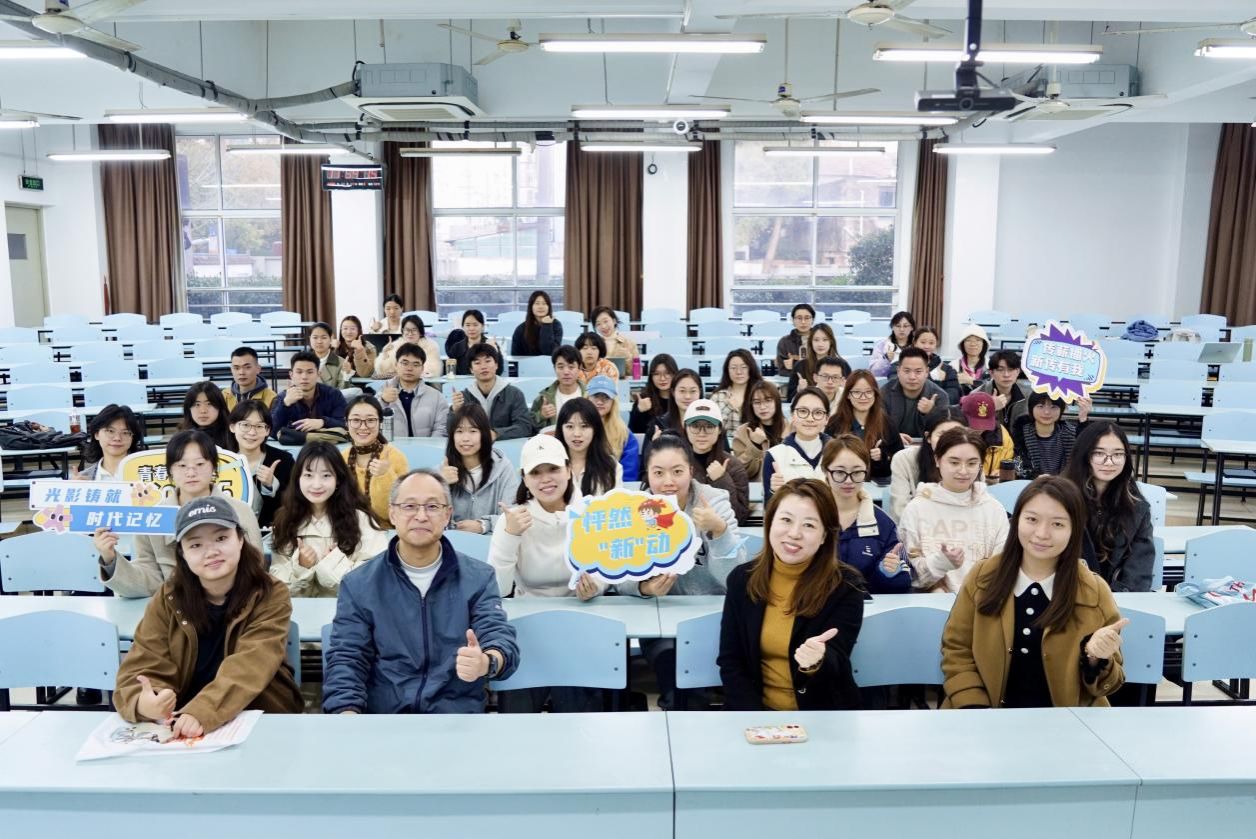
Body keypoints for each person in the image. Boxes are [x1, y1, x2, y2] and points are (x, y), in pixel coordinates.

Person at [322, 468, 520, 714]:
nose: (421, 516)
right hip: (385, 718)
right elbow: (347, 658)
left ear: (447, 515)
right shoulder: (360, 584)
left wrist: (486, 662)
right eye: (409, 506)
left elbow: (498, 637)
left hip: (456, 717)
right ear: (392, 514)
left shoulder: (478, 578)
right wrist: (347, 713)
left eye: (433, 507)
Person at [115, 497, 303, 736]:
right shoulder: (169, 597)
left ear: (240, 539)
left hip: (259, 714)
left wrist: (202, 711)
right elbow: (143, 661)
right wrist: (145, 703)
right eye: (195, 545)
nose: (211, 552)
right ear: (182, 554)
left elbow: (253, 662)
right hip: (185, 721)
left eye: (221, 538)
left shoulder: (269, 593)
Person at [941, 476, 1128, 708]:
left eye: (1057, 524)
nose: (1042, 533)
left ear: (1074, 529)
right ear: (1016, 520)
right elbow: (956, 650)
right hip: (982, 716)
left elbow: (1109, 684)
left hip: (1066, 722)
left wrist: (1095, 658)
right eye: (1031, 519)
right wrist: (975, 709)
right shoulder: (982, 577)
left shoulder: (1094, 591)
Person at [718, 477, 865, 711]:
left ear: (825, 536)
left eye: (809, 525)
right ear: (770, 523)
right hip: (754, 713)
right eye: (786, 520)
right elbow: (731, 660)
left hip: (822, 713)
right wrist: (754, 718)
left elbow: (837, 663)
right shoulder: (742, 580)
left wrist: (817, 661)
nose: (794, 533)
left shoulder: (846, 586)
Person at [623, 432, 746, 709]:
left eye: (677, 471)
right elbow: (619, 577)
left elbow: (736, 578)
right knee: (675, 671)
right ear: (647, 475)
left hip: (713, 620)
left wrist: (720, 531)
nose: (668, 481)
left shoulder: (714, 502)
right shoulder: (634, 510)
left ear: (691, 471)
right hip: (660, 623)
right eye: (658, 473)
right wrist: (643, 587)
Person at [490, 436, 605, 713]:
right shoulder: (514, 519)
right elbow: (497, 587)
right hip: (528, 629)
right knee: (519, 712)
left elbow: (605, 571)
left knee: (578, 711)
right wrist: (510, 535)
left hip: (580, 625)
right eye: (536, 473)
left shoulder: (592, 513)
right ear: (524, 479)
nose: (546, 479)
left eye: (553, 469)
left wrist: (595, 587)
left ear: (568, 469)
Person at [96, 430, 264, 598]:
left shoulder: (240, 511)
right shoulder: (154, 517)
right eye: (182, 466)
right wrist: (110, 559)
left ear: (214, 466)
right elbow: (150, 578)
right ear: (170, 470)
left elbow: (255, 569)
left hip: (234, 603)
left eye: (200, 464)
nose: (191, 473)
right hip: (175, 606)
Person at [270, 442, 390, 597]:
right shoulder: (285, 521)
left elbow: (376, 578)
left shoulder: (361, 520)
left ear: (338, 479)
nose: (316, 485)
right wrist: (301, 568)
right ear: (298, 478)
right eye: (308, 475)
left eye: (326, 475)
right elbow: (278, 589)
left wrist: (333, 563)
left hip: (349, 610)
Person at [899, 427, 1010, 592]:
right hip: (931, 602)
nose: (963, 471)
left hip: (981, 600)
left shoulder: (993, 509)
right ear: (937, 460)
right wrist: (941, 563)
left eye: (972, 463)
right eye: (954, 462)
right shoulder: (917, 508)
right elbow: (910, 574)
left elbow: (1002, 566)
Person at [1063, 421, 1155, 593]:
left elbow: (1138, 572)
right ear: (1084, 454)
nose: (1109, 462)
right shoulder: (1061, 499)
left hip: (1117, 598)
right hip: (1068, 594)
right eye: (1099, 453)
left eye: (1118, 454)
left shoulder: (1137, 506)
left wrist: (1110, 601)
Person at [823, 435, 910, 594]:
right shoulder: (810, 516)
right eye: (840, 472)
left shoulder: (883, 524)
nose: (848, 481)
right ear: (825, 471)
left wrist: (888, 573)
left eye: (857, 472)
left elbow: (903, 583)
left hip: (865, 605)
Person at [441, 403, 520, 535]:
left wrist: (484, 525)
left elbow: (513, 515)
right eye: (459, 431)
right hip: (452, 542)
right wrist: (442, 485)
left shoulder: (503, 468)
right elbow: (431, 519)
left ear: (484, 434)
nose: (465, 438)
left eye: (473, 431)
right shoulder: (443, 471)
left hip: (491, 543)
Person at [888, 409, 967, 521]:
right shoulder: (904, 459)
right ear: (928, 437)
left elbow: (979, 506)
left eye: (956, 435)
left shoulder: (972, 460)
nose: (949, 441)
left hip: (962, 526)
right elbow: (899, 510)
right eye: (942, 435)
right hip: (917, 528)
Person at [826, 369, 903, 483]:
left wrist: (882, 458)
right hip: (843, 482)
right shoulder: (835, 423)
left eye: (868, 392)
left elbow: (899, 462)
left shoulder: (886, 423)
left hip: (877, 485)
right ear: (848, 395)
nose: (863, 397)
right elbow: (827, 460)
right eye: (857, 392)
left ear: (875, 394)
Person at [342, 395, 410, 522]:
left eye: (370, 420)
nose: (363, 427)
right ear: (346, 423)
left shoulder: (395, 457)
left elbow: (393, 513)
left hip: (384, 529)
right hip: (347, 528)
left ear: (381, 423)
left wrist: (384, 476)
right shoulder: (341, 458)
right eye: (356, 420)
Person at [227, 400, 293, 529]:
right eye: (245, 425)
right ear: (232, 427)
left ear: (268, 430)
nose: (252, 432)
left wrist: (271, 485)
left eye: (259, 426)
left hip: (273, 533)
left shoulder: (283, 460)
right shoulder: (222, 462)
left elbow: (294, 503)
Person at [684, 399, 750, 525]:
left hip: (721, 531)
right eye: (695, 426)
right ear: (685, 428)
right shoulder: (678, 463)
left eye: (709, 427)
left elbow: (739, 517)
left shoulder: (733, 465)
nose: (702, 433)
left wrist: (721, 479)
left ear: (719, 429)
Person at [448, 343, 533, 440]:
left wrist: (495, 434)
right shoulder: (464, 397)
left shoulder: (514, 394)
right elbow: (451, 431)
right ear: (471, 369)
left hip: (505, 446)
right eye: (477, 363)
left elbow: (524, 427)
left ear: (496, 365)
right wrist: (455, 411)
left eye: (488, 361)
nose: (483, 366)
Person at [762, 387, 831, 501]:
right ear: (792, 415)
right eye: (803, 411)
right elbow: (768, 508)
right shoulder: (774, 455)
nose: (810, 418)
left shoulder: (839, 453)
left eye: (818, 413)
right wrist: (773, 492)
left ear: (827, 418)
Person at [881, 346, 950, 447]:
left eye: (918, 371)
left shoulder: (939, 396)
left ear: (926, 372)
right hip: (894, 447)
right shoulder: (884, 393)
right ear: (898, 371)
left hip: (928, 449)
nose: (912, 377)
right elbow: (878, 427)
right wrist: (893, 436)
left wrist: (931, 412)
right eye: (907, 371)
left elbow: (942, 434)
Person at [1013, 391, 1092, 479]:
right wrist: (1034, 477)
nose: (1047, 412)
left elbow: (1085, 455)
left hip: (1065, 485)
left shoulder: (1072, 433)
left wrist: (1083, 418)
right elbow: (1017, 467)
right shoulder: (1020, 435)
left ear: (1061, 410)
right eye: (1040, 406)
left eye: (1053, 407)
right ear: (1031, 408)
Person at [271, 350, 348, 439]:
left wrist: (323, 422)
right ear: (291, 375)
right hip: (294, 445)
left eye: (310, 372)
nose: (304, 377)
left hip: (327, 444)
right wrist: (285, 405)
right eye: (299, 372)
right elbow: (271, 431)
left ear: (318, 374)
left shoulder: (333, 394)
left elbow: (346, 424)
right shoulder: (282, 398)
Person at [378, 343, 449, 438]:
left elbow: (441, 428)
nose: (409, 368)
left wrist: (429, 446)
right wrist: (383, 401)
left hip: (426, 447)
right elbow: (370, 420)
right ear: (396, 365)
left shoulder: (436, 397)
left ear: (422, 368)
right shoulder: (383, 392)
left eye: (416, 364)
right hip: (392, 446)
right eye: (405, 363)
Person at [556, 397, 621, 495]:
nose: (577, 434)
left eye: (584, 426)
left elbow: (616, 502)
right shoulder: (551, 465)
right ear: (561, 429)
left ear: (595, 429)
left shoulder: (611, 466)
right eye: (569, 426)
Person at [587, 375, 640, 482]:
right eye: (596, 396)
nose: (600, 402)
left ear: (613, 402)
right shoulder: (577, 431)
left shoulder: (625, 435)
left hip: (615, 487)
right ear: (587, 398)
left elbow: (629, 474)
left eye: (606, 397)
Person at [732, 380, 786, 481]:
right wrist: (754, 445)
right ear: (751, 405)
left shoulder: (791, 429)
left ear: (777, 402)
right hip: (757, 487)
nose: (762, 407)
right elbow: (742, 472)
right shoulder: (743, 432)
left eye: (768, 400)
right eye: (757, 402)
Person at [960, 391, 1015, 483]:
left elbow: (1009, 462)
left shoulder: (1002, 436)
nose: (979, 428)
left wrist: (1001, 474)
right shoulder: (949, 432)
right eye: (974, 422)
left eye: (984, 423)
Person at [80, 404, 145, 480]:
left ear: (133, 437)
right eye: (110, 431)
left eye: (125, 433)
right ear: (97, 434)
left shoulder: (148, 474)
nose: (117, 438)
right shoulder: (83, 480)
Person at [530, 345, 586, 431]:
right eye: (560, 367)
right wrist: (541, 416)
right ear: (554, 368)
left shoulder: (589, 395)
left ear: (579, 368)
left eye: (571, 367)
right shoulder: (544, 398)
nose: (566, 372)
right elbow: (528, 426)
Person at [710, 349, 762, 437]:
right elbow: (712, 428)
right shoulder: (718, 397)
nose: (738, 372)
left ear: (751, 369)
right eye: (733, 368)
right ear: (727, 370)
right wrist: (729, 408)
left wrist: (739, 410)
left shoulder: (760, 394)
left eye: (744, 367)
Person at [644, 367, 703, 444]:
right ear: (673, 392)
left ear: (700, 392)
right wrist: (654, 446)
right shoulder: (659, 425)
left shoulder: (711, 424)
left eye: (693, 391)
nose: (687, 396)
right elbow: (646, 451)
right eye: (682, 391)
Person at [977, 350, 1031, 432]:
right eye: (1000, 370)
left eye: (1011, 369)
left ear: (1018, 372)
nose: (1006, 375)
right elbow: (973, 433)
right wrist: (991, 409)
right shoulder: (977, 395)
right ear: (991, 373)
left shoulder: (1029, 394)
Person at [376, 314, 441, 381]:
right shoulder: (395, 345)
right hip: (397, 382)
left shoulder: (430, 346)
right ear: (402, 331)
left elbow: (431, 370)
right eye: (407, 330)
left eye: (414, 330)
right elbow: (383, 371)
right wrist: (385, 354)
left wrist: (404, 373)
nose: (410, 333)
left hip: (423, 383)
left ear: (420, 332)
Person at [907, 326, 961, 405]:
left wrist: (934, 403)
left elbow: (954, 396)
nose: (927, 346)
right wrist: (936, 381)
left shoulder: (947, 369)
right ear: (915, 343)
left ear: (936, 344)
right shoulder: (902, 365)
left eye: (931, 343)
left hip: (939, 411)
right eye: (923, 342)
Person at [629, 353, 677, 434]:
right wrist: (639, 412)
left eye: (667, 373)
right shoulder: (644, 399)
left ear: (675, 374)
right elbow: (633, 433)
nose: (662, 378)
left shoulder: (681, 398)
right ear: (651, 377)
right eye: (656, 374)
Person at [788, 323, 838, 400]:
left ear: (831, 342)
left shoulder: (842, 365)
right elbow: (790, 398)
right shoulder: (800, 366)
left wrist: (843, 389)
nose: (820, 344)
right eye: (816, 340)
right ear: (811, 342)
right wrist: (799, 390)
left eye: (825, 340)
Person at [445, 309, 501, 376]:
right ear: (463, 327)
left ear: (482, 327)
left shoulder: (490, 345)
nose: (471, 328)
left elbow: (499, 371)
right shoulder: (456, 347)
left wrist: (496, 352)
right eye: (468, 325)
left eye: (475, 325)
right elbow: (450, 372)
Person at [178, 381, 231, 450]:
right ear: (188, 408)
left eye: (209, 404)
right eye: (197, 404)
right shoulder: (180, 438)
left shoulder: (232, 435)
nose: (203, 411)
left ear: (220, 406)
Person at [511, 290, 563, 357]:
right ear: (531, 307)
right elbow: (515, 356)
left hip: (549, 363)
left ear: (549, 307)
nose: (540, 307)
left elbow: (549, 352)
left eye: (544, 303)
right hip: (526, 363)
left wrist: (547, 325)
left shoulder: (556, 325)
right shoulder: (521, 328)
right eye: (537, 303)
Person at [224, 346, 276, 411]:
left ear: (258, 369)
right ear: (231, 370)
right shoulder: (224, 396)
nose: (241, 372)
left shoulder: (272, 398)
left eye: (247, 367)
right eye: (236, 368)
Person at [869, 310, 916, 377]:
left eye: (905, 326)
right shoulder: (881, 345)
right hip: (889, 381)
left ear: (912, 327)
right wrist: (885, 359)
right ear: (892, 327)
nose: (901, 329)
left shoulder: (918, 345)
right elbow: (874, 372)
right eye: (898, 326)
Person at [307, 321, 352, 389]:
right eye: (315, 337)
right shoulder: (302, 361)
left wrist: (347, 374)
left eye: (324, 338)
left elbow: (343, 391)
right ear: (310, 339)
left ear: (331, 339)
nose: (319, 341)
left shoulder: (341, 363)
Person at [774, 303, 814, 378]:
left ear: (813, 320)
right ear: (793, 320)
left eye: (807, 318)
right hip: (792, 382)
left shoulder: (821, 340)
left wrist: (794, 364)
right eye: (799, 318)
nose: (803, 322)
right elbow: (782, 370)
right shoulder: (784, 342)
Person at [955, 324, 990, 393]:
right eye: (968, 340)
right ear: (962, 344)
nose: (973, 344)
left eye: (978, 340)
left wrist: (970, 381)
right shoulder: (954, 366)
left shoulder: (991, 365)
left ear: (984, 343)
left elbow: (993, 388)